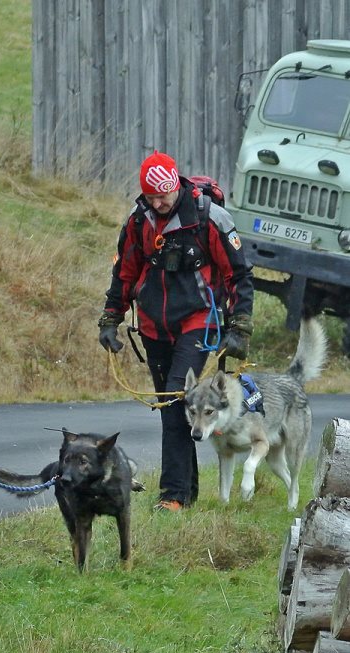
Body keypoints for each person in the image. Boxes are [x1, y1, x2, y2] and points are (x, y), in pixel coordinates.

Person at [98, 151, 252, 512]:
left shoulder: (209, 218)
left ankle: (173, 497)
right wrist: (110, 318)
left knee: (175, 403)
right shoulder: (138, 222)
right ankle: (187, 492)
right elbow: (124, 274)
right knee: (175, 406)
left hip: (199, 321)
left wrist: (240, 327)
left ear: (175, 186)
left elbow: (239, 275)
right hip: (154, 327)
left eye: (163, 195)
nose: (158, 202)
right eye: (150, 197)